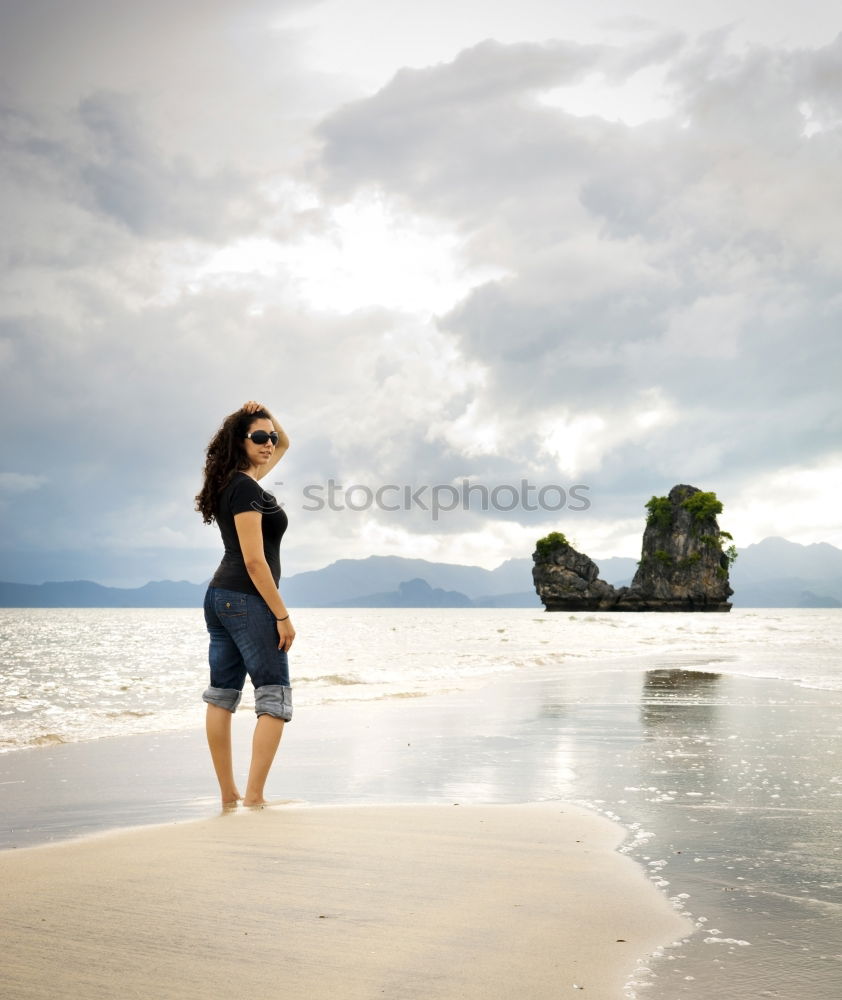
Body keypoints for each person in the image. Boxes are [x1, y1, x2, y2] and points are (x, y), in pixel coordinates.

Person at [195, 400, 294, 809]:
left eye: (269, 436)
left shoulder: (235, 482)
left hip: (219, 597)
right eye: (259, 437)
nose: (269, 443)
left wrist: (266, 413)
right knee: (274, 695)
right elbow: (255, 562)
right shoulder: (246, 489)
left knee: (222, 694)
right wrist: (282, 615)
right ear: (241, 441)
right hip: (246, 597)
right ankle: (254, 797)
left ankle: (229, 796)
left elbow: (286, 442)